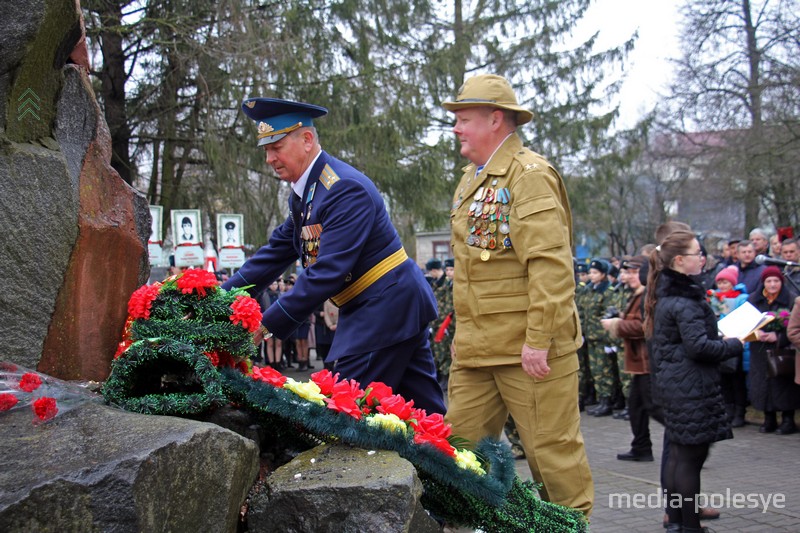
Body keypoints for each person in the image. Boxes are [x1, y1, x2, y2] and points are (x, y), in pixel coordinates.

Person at [221, 97, 445, 414]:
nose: (269, 159)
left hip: (384, 309)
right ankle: (448, 462)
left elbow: (327, 272)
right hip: (385, 307)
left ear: (307, 140)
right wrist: (218, 297)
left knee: (345, 410)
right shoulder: (307, 194)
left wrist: (265, 326)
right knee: (424, 415)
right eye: (266, 150)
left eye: (277, 147)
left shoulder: (342, 188)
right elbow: (274, 254)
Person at [442, 74, 593, 516]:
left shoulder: (530, 176)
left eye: (464, 119)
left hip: (529, 351)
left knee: (552, 457)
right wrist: (463, 333)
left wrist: (540, 339)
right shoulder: (472, 180)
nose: (456, 128)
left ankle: (570, 529)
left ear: (495, 119)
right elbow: (472, 271)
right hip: (478, 350)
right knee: (456, 451)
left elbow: (550, 265)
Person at [644, 230, 743, 533]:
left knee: (679, 456)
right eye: (697, 253)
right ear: (679, 261)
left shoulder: (667, 295)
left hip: (676, 387)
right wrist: (735, 344)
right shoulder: (683, 301)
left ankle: (676, 522)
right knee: (689, 459)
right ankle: (690, 527)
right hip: (690, 390)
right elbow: (698, 347)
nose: (702, 258)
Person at [601, 255, 657, 461]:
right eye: (626, 272)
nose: (626, 277)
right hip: (639, 362)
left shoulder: (648, 296)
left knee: (655, 407)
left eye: (633, 272)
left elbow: (645, 328)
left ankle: (692, 441)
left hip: (648, 362)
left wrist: (616, 324)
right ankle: (641, 447)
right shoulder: (639, 294)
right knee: (637, 406)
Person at [746, 266, 800, 435]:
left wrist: (778, 336)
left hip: (782, 349)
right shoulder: (754, 300)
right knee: (762, 384)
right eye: (769, 281)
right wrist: (756, 333)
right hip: (759, 349)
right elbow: (744, 324)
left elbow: (794, 326)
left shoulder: (790, 300)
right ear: (763, 283)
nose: (772, 284)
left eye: (776, 281)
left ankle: (787, 419)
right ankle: (768, 418)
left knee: (783, 384)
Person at [709, 265, 750, 428]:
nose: (722, 286)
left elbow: (742, 318)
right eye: (719, 282)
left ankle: (740, 412)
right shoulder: (715, 298)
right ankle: (728, 410)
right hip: (720, 341)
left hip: (737, 342)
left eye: (725, 282)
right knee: (724, 380)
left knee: (737, 380)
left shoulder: (741, 298)